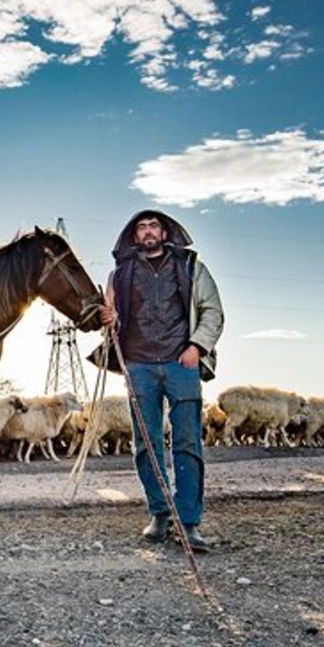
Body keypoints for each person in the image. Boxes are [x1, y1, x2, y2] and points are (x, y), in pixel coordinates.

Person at [99, 210, 223, 551]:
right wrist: (108, 318)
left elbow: (212, 310)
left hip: (181, 363)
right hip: (138, 365)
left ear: (165, 232)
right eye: (141, 227)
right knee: (146, 444)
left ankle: (188, 522)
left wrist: (197, 347)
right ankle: (160, 513)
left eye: (154, 225)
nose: (148, 231)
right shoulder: (119, 274)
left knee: (188, 442)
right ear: (134, 236)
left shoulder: (191, 267)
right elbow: (112, 318)